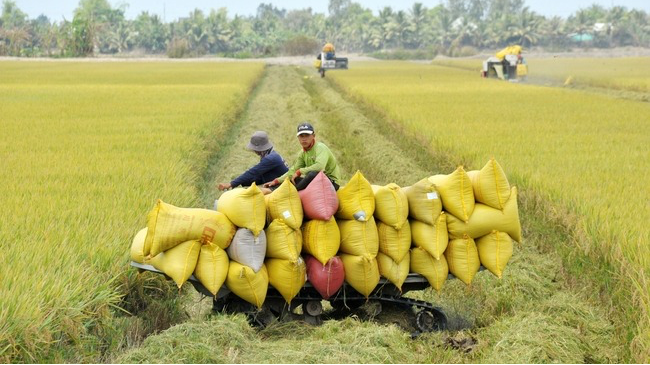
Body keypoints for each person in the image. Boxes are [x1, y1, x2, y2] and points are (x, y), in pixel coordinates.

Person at [263, 122, 341, 191]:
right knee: (293, 178)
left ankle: (294, 192)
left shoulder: (320, 147)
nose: (304, 139)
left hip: (331, 183)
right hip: (315, 182)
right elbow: (293, 170)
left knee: (312, 174)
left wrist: (300, 171)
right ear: (298, 138)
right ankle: (271, 190)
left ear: (313, 135)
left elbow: (319, 167)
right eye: (301, 136)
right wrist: (277, 181)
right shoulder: (302, 153)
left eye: (307, 135)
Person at [217, 131, 288, 192]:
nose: (254, 151)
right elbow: (261, 176)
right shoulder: (270, 154)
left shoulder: (271, 158)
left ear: (259, 148)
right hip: (279, 183)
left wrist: (231, 184)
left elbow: (253, 172)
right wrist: (244, 182)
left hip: (285, 186)